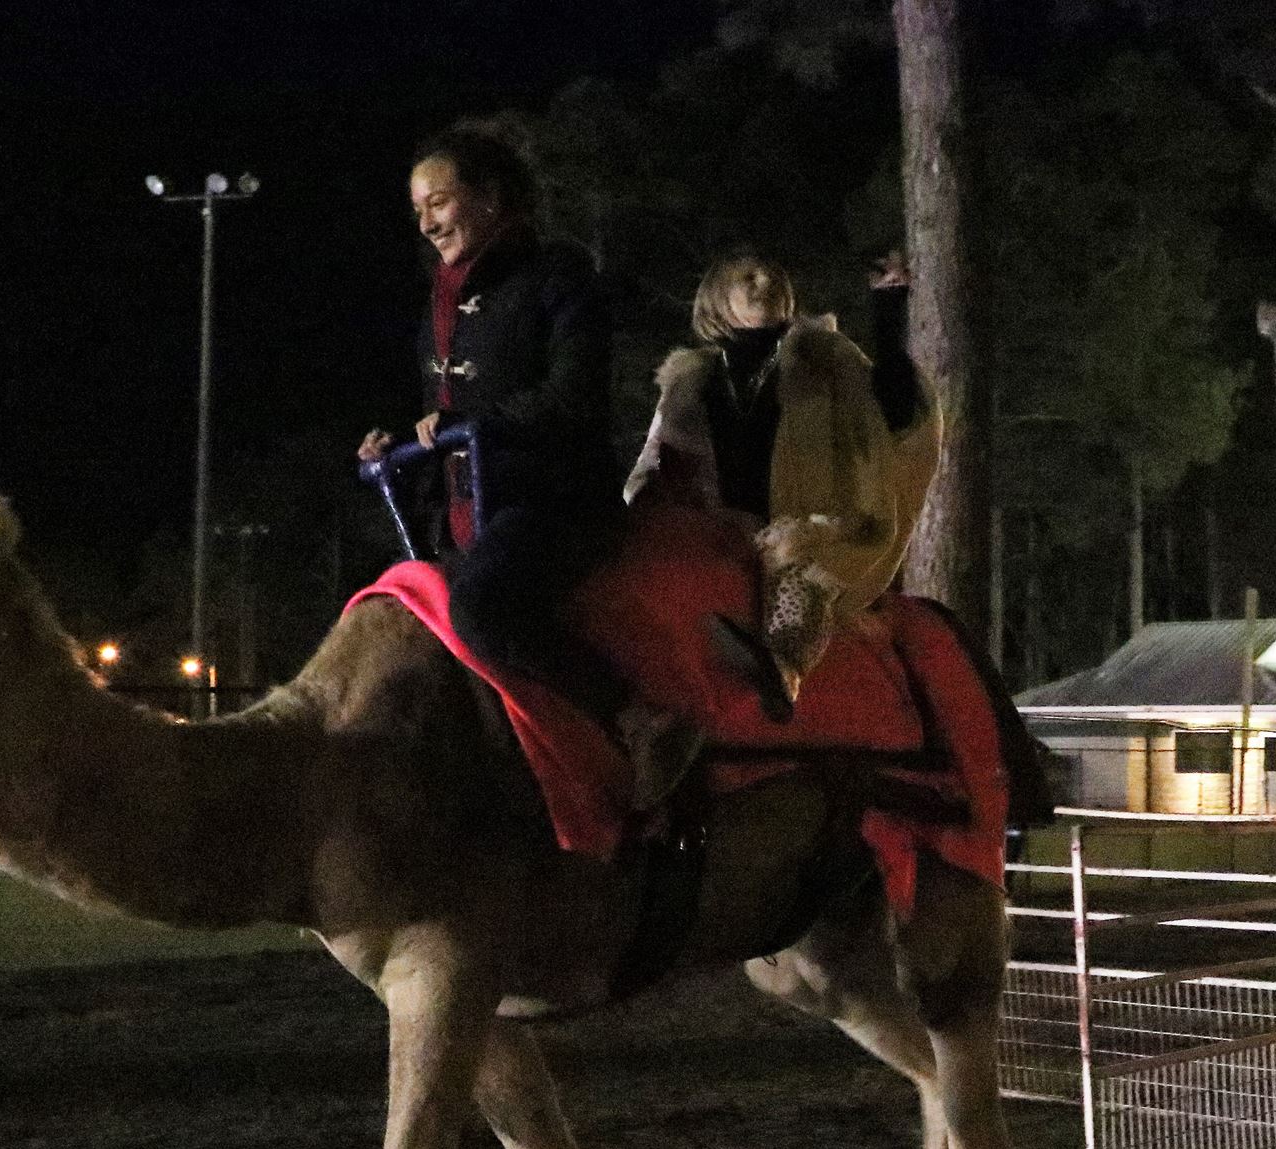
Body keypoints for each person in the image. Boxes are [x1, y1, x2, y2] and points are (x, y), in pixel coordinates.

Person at [358, 125, 698, 808]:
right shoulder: (438, 309)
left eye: (440, 202)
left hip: (555, 507)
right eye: (417, 209)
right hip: (467, 518)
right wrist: (398, 450)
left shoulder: (558, 279)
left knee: (481, 606)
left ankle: (641, 716)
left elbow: (572, 399)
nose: (426, 223)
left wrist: (472, 427)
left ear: (488, 198)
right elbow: (442, 417)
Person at [626, 249, 939, 714]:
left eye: (773, 275)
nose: (763, 281)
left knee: (800, 569)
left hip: (809, 524)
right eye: (748, 276)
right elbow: (654, 461)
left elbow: (890, 411)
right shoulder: (690, 382)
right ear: (717, 297)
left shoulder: (825, 360)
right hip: (716, 527)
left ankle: (785, 668)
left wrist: (889, 305)